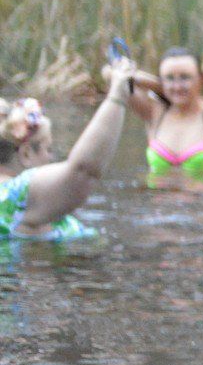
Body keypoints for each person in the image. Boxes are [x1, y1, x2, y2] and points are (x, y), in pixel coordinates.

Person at [0, 63, 136, 239]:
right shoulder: (12, 196)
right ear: (26, 154)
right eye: (47, 149)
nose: (51, 157)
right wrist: (117, 96)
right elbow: (83, 172)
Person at [132, 47, 203, 187]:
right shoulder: (154, 113)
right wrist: (161, 85)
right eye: (169, 78)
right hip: (157, 200)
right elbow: (112, 75)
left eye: (185, 77)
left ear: (200, 78)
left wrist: (167, 85)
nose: (177, 86)